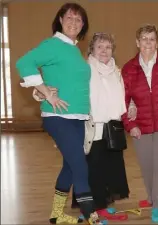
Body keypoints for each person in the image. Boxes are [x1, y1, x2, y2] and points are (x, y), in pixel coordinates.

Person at [15, 3, 105, 225]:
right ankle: (91, 215)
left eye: (79, 20)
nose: (74, 22)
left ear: (83, 25)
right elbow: (24, 63)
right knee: (80, 166)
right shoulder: (54, 44)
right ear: (60, 20)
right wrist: (44, 91)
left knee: (70, 165)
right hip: (59, 117)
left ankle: (57, 214)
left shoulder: (73, 49)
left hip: (77, 117)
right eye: (70, 18)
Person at [33, 33, 133, 220]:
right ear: (92, 50)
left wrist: (130, 106)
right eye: (100, 47)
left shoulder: (116, 71)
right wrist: (41, 93)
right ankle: (88, 210)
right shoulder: (84, 68)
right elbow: (62, 86)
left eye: (108, 47)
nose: (104, 51)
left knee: (106, 169)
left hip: (111, 128)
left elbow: (123, 96)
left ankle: (100, 206)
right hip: (89, 126)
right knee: (88, 169)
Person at [120, 24, 158, 223]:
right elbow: (123, 100)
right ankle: (154, 197)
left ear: (157, 42)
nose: (148, 43)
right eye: (144, 39)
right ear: (137, 42)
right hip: (140, 125)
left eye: (152, 39)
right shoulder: (128, 68)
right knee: (147, 166)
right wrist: (130, 124)